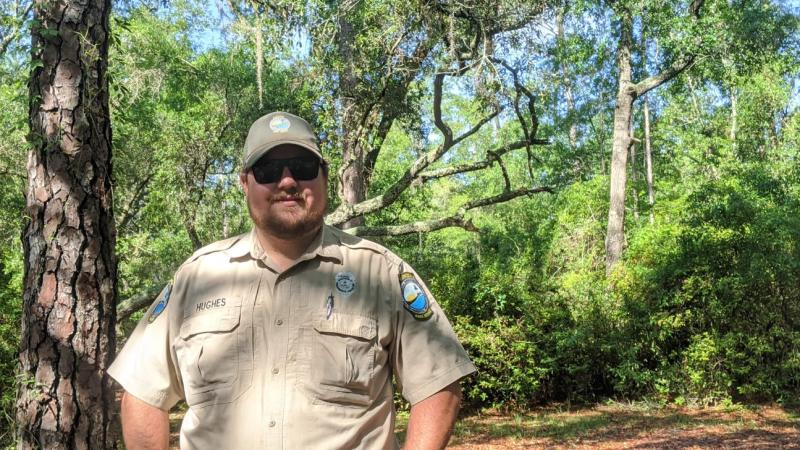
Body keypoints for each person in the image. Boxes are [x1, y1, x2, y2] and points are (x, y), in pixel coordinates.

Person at [108, 111, 477, 449]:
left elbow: (439, 387)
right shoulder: (197, 276)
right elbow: (142, 393)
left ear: (324, 177)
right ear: (244, 183)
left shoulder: (380, 273)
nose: (287, 181)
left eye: (302, 167)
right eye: (268, 170)